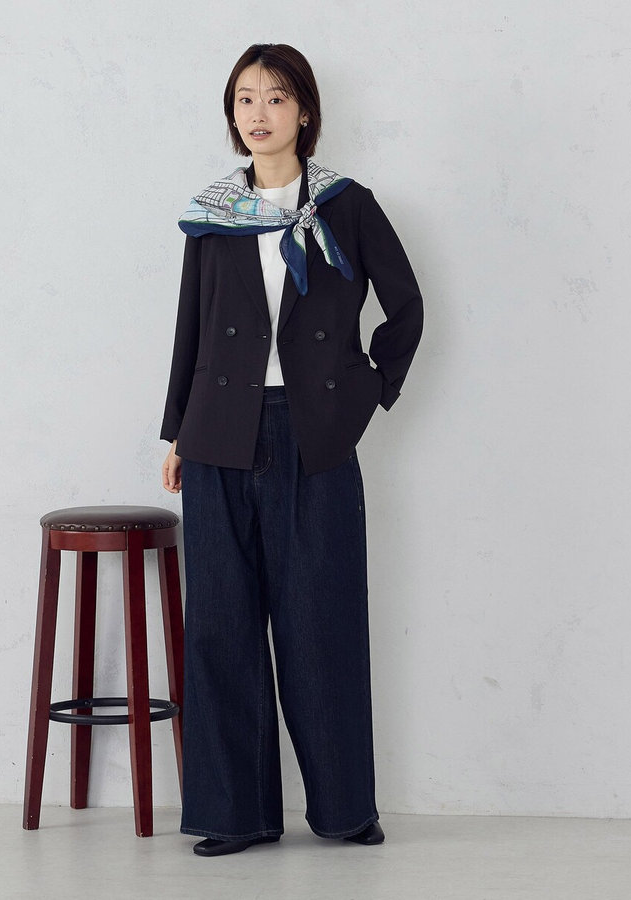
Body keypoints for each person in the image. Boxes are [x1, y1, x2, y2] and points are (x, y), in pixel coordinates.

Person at [161, 43, 424, 857]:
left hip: (315, 435)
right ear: (232, 113)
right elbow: (192, 328)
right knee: (221, 627)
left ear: (304, 111)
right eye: (246, 98)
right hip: (218, 436)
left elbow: (406, 307)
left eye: (276, 97)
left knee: (322, 623)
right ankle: (235, 815)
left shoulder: (347, 205)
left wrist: (364, 392)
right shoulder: (214, 213)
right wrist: (176, 432)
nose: (260, 112)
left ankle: (345, 810)